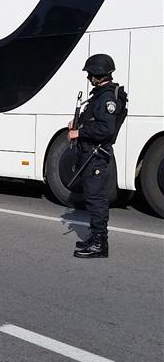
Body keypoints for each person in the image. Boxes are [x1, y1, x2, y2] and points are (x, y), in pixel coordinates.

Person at [68, 54, 127, 259]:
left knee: (96, 199)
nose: (89, 77)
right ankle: (94, 238)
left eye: (90, 73)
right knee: (93, 197)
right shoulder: (100, 95)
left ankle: (100, 244)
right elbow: (95, 120)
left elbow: (106, 129)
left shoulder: (106, 97)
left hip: (96, 156)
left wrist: (80, 132)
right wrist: (77, 124)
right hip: (90, 154)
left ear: (98, 74)